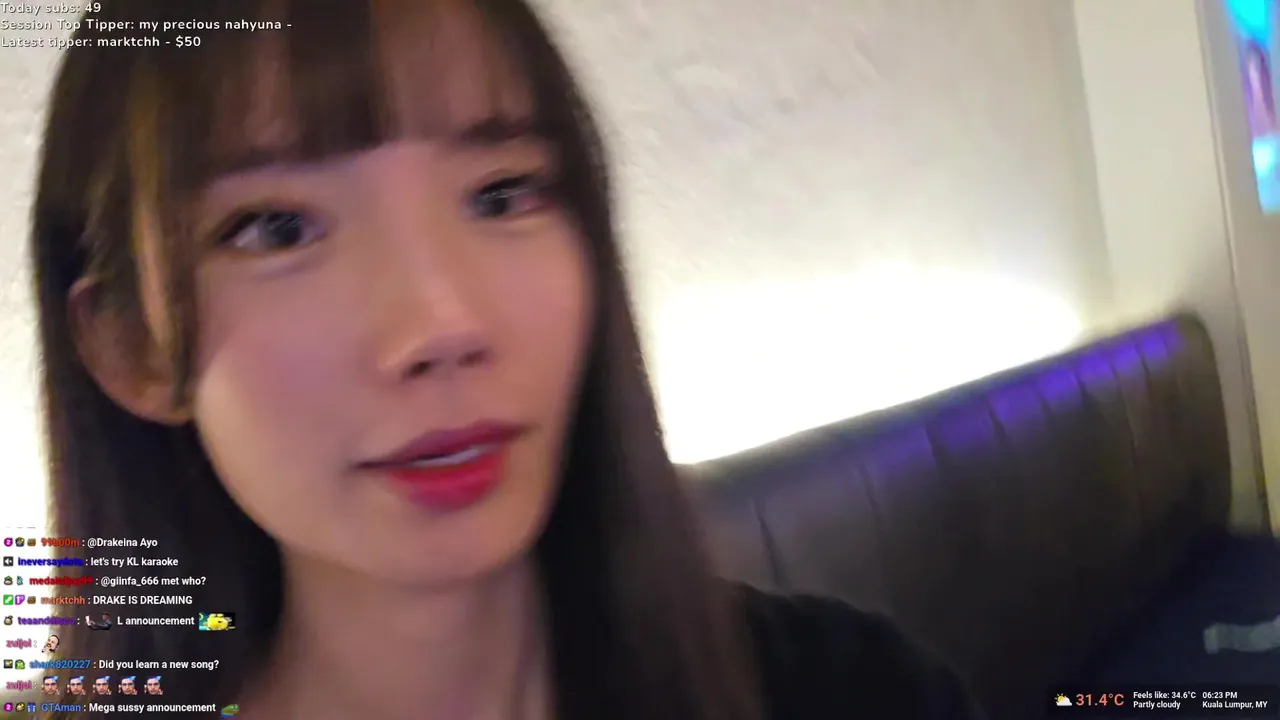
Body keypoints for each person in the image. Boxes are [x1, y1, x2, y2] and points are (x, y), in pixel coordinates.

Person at [30, 1, 987, 719]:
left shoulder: (852, 691)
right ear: (130, 345)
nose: (443, 324)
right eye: (277, 229)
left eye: (501, 195)